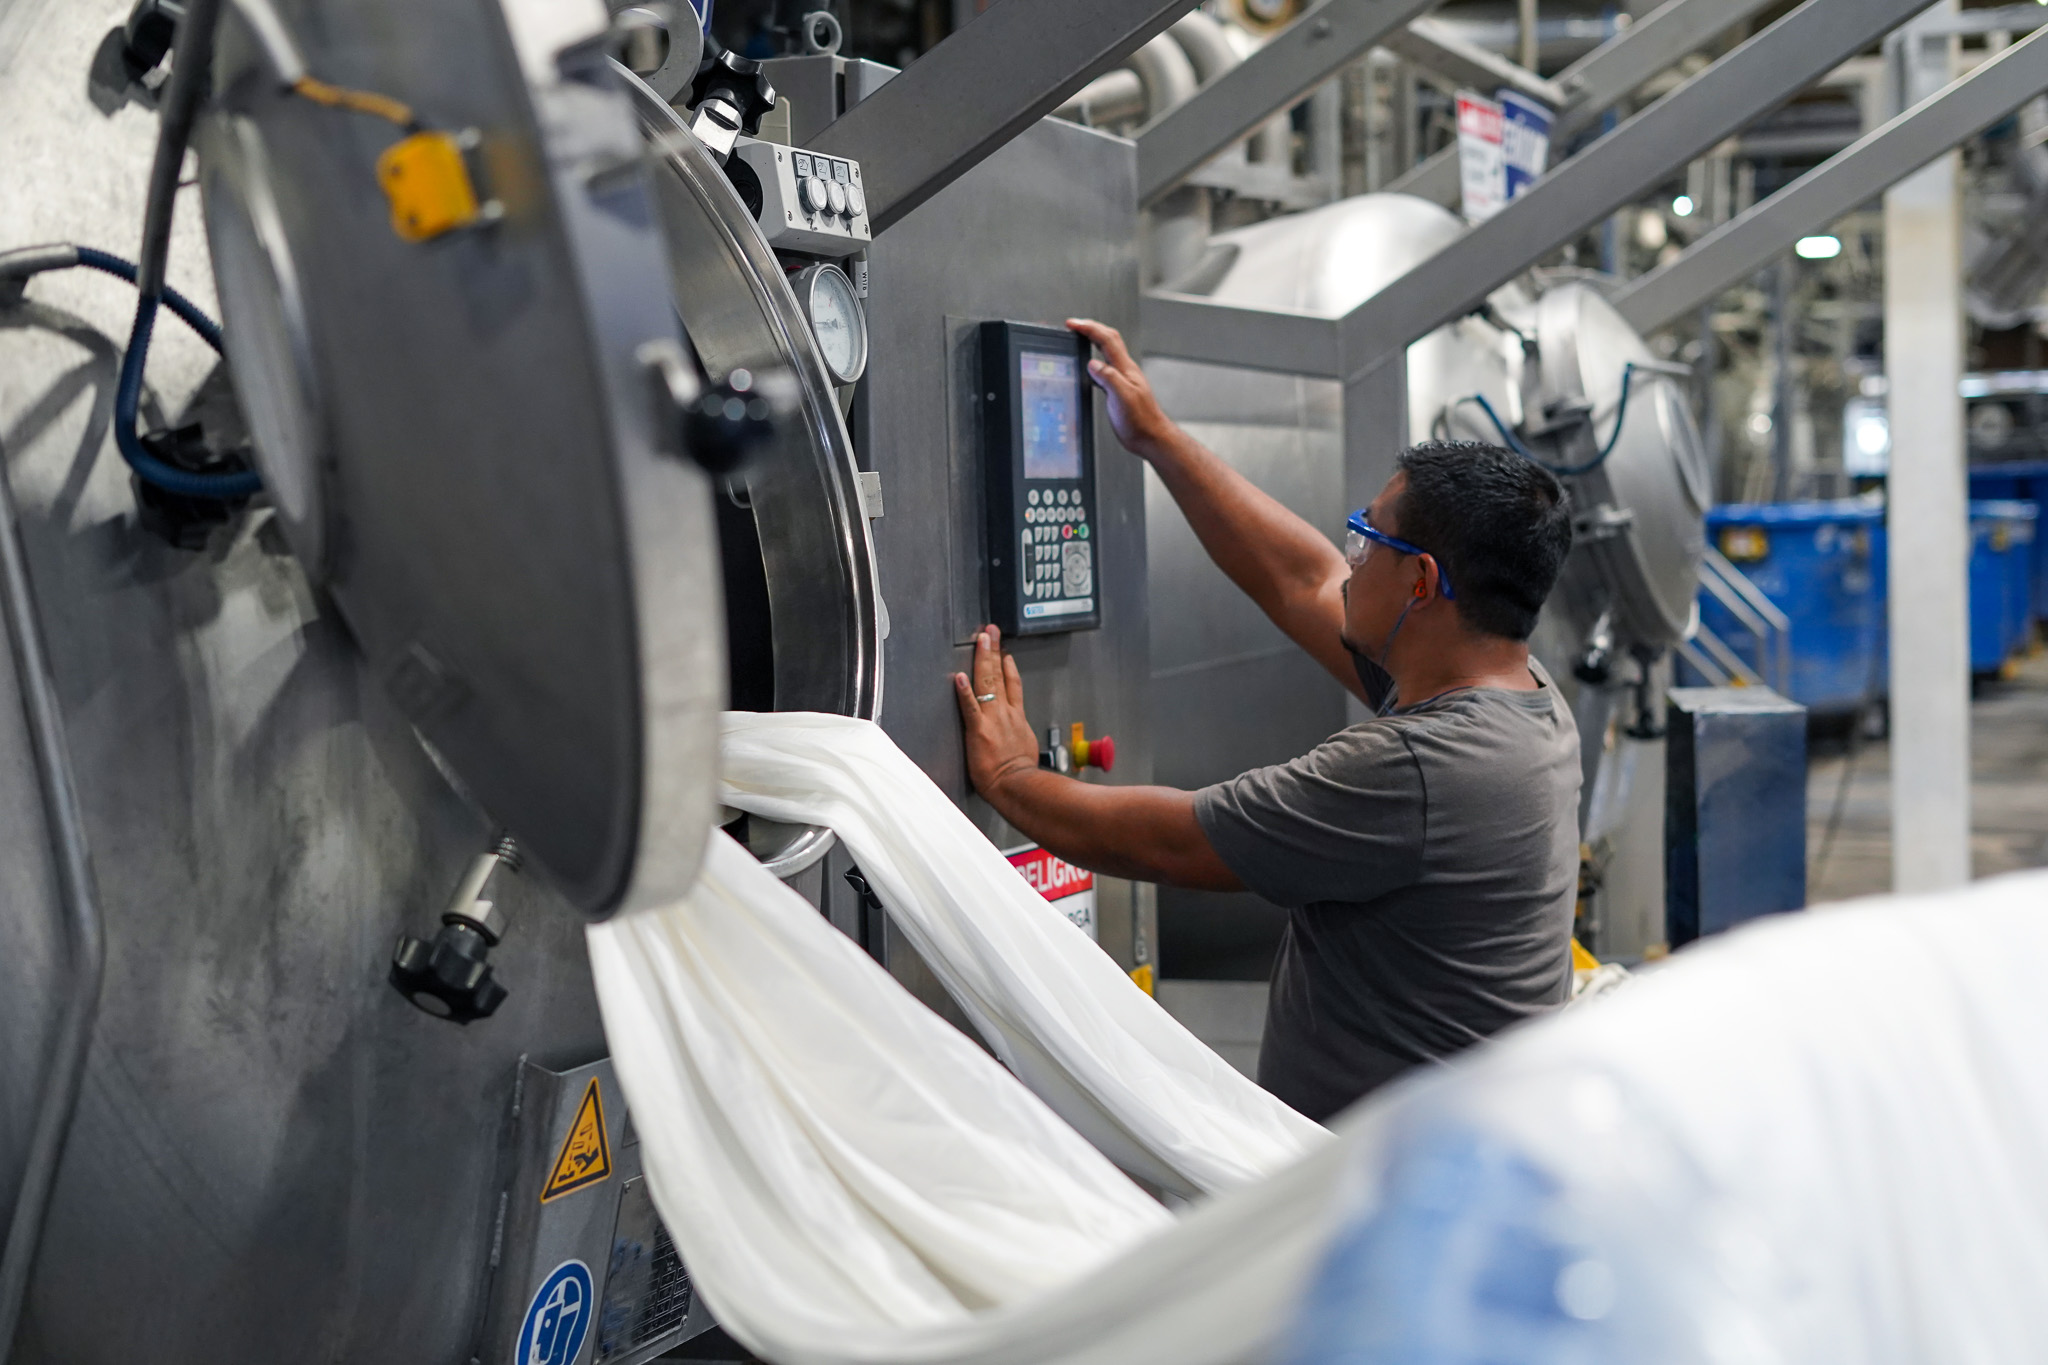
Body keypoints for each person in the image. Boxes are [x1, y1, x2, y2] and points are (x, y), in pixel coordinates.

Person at [952, 318, 1583, 1123]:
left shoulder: (1424, 767)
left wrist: (1011, 778)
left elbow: (1177, 840)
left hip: (1373, 1192)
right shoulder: (1521, 694)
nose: (1349, 555)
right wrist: (1158, 440)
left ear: (1421, 583)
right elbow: (1298, 578)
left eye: (1367, 538)